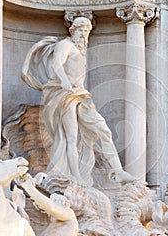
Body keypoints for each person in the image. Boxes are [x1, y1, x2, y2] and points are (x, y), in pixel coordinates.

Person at [22, 17, 135, 186]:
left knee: (104, 131)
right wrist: (64, 81)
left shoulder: (80, 49)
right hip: (65, 95)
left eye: (86, 32)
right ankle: (75, 177)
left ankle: (118, 171)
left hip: (81, 96)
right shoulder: (65, 45)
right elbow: (57, 64)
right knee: (71, 138)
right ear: (73, 30)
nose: (84, 35)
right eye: (81, 30)